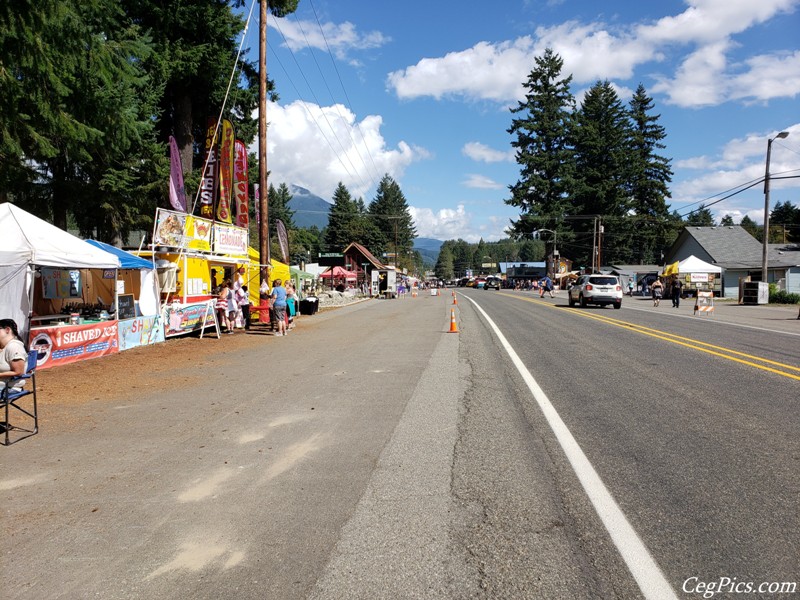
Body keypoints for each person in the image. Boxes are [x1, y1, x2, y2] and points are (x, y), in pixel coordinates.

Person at [0, 319, 28, 391]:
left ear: (7, 330)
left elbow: (19, 372)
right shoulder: (4, 346)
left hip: (8, 388)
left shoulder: (14, 346)